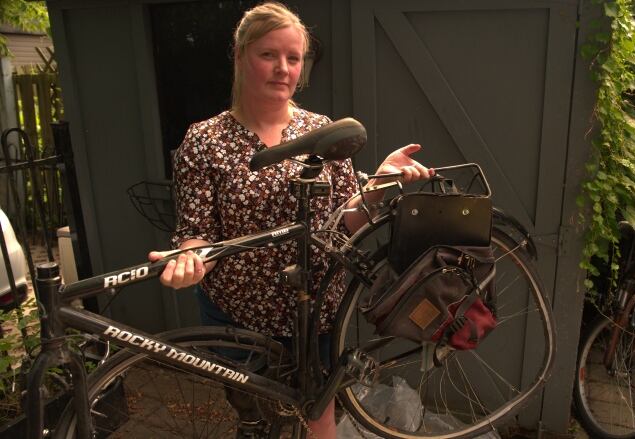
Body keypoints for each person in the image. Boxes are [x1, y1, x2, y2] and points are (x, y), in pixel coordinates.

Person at [148, 2, 432, 438]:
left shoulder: (322, 131)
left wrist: (380, 182)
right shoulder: (205, 140)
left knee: (319, 415)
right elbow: (196, 232)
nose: (283, 68)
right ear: (241, 56)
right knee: (256, 419)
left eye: (293, 58)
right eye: (268, 55)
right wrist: (190, 259)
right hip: (239, 315)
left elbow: (349, 221)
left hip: (316, 309)